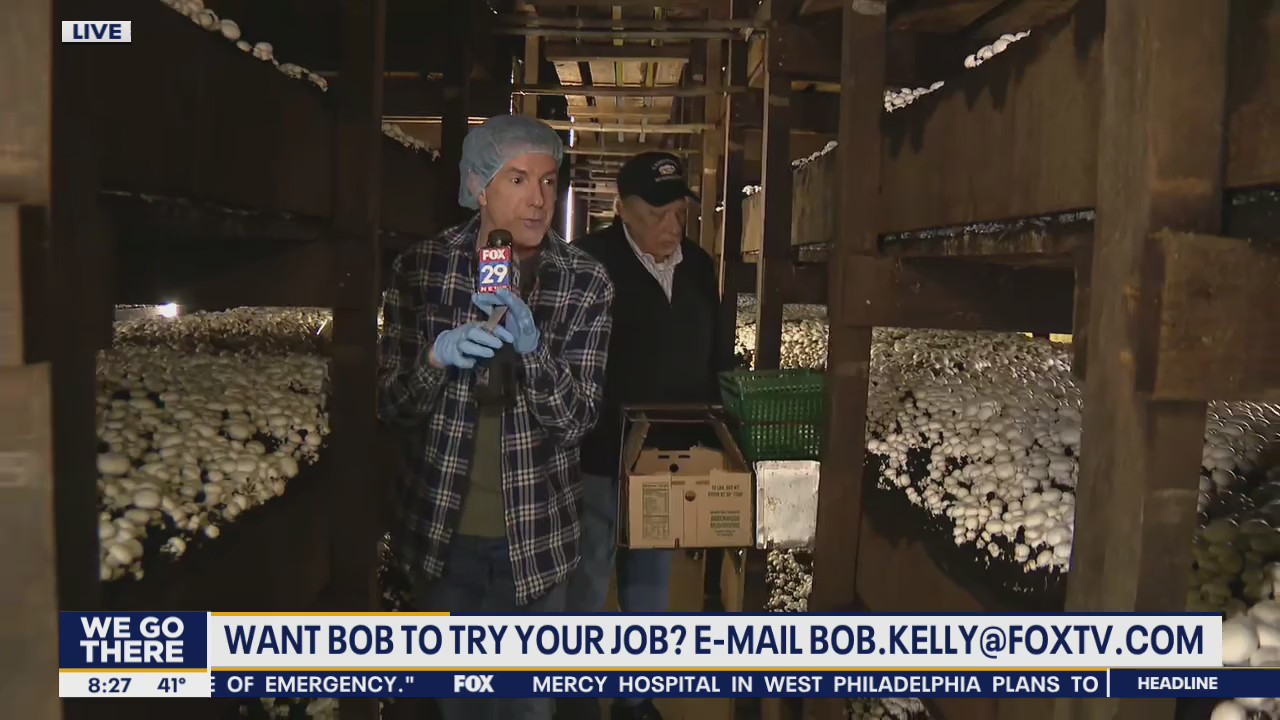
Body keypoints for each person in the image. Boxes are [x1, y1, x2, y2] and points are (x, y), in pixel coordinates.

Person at [377, 114, 615, 720]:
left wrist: (533, 352)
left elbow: (577, 419)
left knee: (526, 706)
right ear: (478, 186)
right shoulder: (422, 269)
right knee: (451, 705)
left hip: (535, 543)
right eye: (518, 179)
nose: (538, 199)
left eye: (549, 181)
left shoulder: (585, 283)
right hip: (442, 538)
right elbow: (393, 406)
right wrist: (435, 358)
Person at [561, 152, 735, 720]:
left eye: (679, 211)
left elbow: (716, 357)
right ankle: (578, 700)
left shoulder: (699, 267)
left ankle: (636, 698)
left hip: (668, 458)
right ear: (623, 209)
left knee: (651, 585)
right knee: (588, 580)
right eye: (658, 213)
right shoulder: (588, 262)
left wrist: (716, 440)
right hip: (598, 454)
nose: (672, 225)